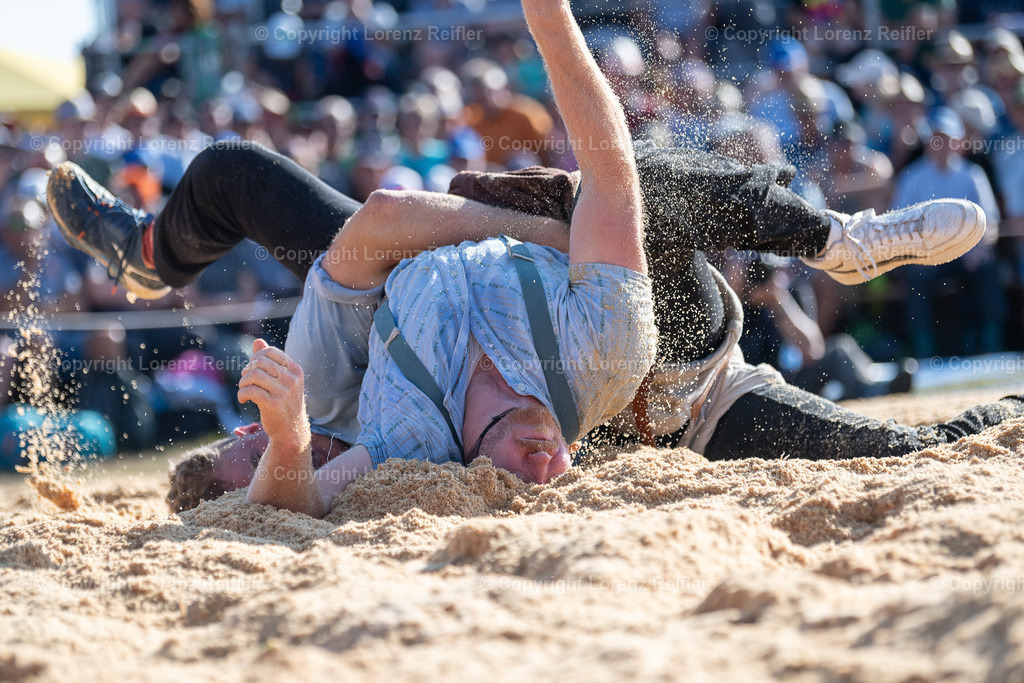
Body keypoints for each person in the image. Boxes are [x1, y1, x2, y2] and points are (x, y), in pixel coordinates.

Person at [48, 9, 997, 516]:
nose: (266, 440)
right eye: (255, 465)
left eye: (248, 441)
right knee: (901, 451)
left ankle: (148, 255)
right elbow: (296, 491)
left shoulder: (312, 376)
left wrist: (533, 229)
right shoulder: (382, 445)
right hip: (673, 383)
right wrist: (288, 452)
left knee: (232, 173)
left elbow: (382, 224)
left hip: (486, 276)